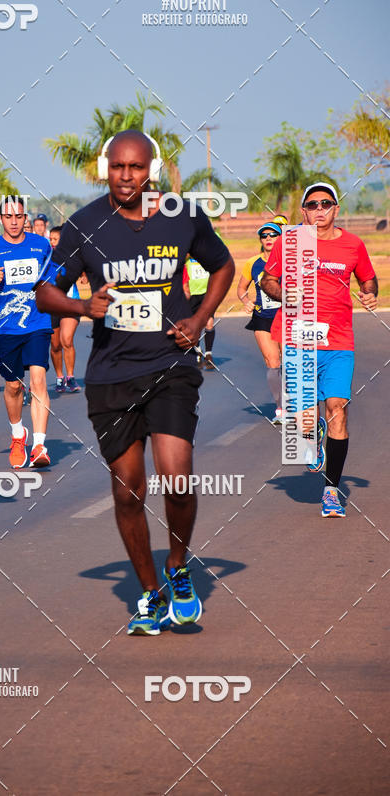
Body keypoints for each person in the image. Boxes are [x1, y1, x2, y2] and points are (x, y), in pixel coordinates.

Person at [36, 130, 234, 635]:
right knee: (128, 492)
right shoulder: (83, 225)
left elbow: (223, 265)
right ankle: (148, 594)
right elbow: (44, 292)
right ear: (106, 168)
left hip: (170, 364)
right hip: (112, 374)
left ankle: (178, 566)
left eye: (137, 167)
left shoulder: (182, 215)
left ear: (153, 169)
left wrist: (199, 318)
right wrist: (83, 306)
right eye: (118, 167)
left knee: (178, 475)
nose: (127, 176)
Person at [261, 183, 378, 518]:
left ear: (336, 209)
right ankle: (310, 441)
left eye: (326, 204)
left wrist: (370, 293)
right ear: (304, 212)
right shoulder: (289, 242)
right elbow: (268, 279)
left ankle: (331, 491)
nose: (320, 209)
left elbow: (368, 280)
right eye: (313, 205)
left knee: (338, 409)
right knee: (301, 419)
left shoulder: (354, 245)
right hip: (298, 339)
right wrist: (282, 294)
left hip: (339, 341)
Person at [0, 197, 53, 468]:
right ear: (1, 219)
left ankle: (39, 444)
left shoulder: (40, 244)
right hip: (6, 327)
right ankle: (18, 435)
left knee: (38, 380)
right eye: (8, 216)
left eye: (18, 216)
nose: (14, 221)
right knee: (14, 385)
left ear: (24, 217)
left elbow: (54, 276)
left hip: (38, 322)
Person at [237, 222, 283, 422]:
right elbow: (241, 288)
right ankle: (281, 408)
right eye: (264, 236)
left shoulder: (291, 260)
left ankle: (300, 403)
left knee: (291, 363)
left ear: (281, 238)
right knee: (272, 363)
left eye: (273, 234)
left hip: (287, 317)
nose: (269, 238)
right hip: (262, 317)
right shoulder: (253, 263)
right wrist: (246, 301)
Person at [49, 225, 81, 393]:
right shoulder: (46, 256)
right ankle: (60, 377)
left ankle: (71, 377)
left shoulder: (73, 255)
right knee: (55, 345)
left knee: (66, 339)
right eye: (51, 239)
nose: (52, 242)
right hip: (52, 305)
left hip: (70, 302)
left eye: (56, 239)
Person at [182, 254, 216, 369]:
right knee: (194, 325)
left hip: (206, 292)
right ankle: (197, 351)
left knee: (209, 322)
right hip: (192, 293)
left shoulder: (205, 252)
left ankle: (208, 354)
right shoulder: (187, 252)